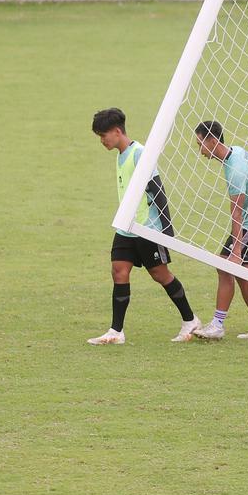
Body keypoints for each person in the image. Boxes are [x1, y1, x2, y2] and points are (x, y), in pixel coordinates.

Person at [88, 108, 201, 345]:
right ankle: (116, 331)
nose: (102, 141)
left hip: (147, 227)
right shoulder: (121, 155)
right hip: (126, 227)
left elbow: (157, 190)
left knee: (160, 274)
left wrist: (167, 230)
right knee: (119, 271)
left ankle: (190, 320)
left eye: (103, 135)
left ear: (117, 131)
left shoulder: (140, 153)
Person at [191, 120, 248, 341]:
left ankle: (218, 325)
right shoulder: (236, 151)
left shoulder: (234, 170)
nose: (200, 150)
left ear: (212, 141)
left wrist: (237, 250)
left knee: (229, 268)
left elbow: (236, 213)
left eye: (200, 144)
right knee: (236, 272)